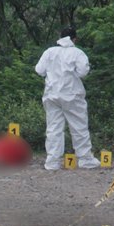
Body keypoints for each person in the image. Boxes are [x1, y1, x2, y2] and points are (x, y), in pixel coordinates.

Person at [35, 27, 100, 170]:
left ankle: (52, 162)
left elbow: (39, 70)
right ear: (74, 39)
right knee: (79, 127)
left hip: (51, 94)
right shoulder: (77, 53)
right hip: (72, 94)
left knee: (53, 128)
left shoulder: (49, 52)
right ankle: (85, 159)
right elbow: (83, 72)